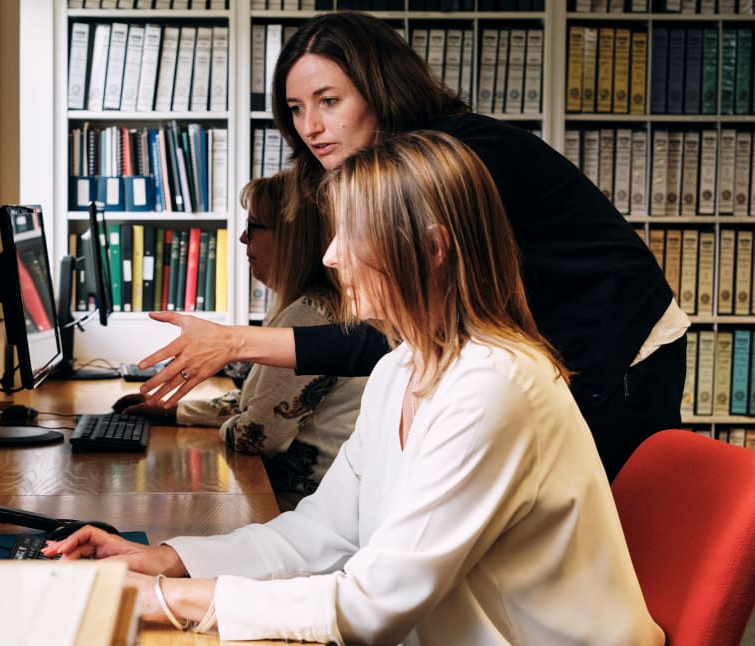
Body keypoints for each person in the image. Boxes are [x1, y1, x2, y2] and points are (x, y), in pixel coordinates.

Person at [43, 133, 663, 644]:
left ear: (432, 249)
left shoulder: (495, 385)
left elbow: (371, 608)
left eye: (350, 235)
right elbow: (324, 534)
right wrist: (169, 560)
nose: (332, 256)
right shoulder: (400, 367)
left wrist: (160, 600)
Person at [134, 11, 689, 481]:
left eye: (328, 100)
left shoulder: (448, 163)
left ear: (379, 90)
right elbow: (401, 333)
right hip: (544, 346)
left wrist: (236, 343)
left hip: (621, 348)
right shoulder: (388, 175)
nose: (310, 126)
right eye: (297, 108)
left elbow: (390, 333)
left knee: (593, 525)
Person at [114, 171, 366, 511]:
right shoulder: (307, 306)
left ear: (291, 237)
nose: (244, 239)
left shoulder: (310, 315)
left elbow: (255, 434)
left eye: (254, 226)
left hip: (300, 507)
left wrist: (229, 422)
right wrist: (173, 412)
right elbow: (258, 403)